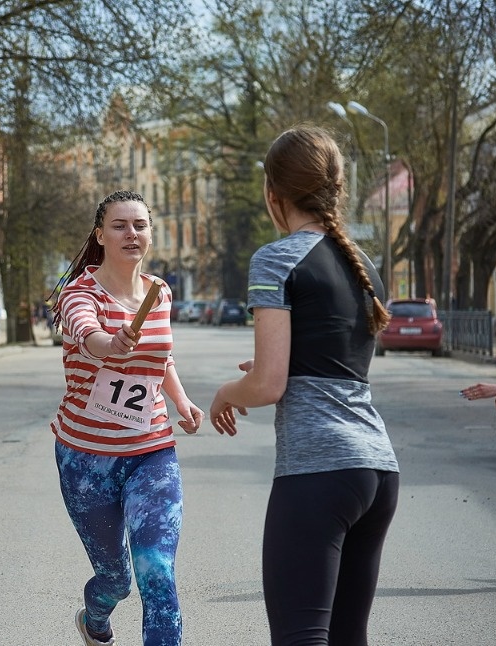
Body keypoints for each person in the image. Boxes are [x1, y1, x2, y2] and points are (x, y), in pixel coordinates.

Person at [209, 125, 400, 646]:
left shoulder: (276, 258)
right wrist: (279, 369)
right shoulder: (365, 266)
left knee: (301, 638)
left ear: (274, 193)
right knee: (347, 638)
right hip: (378, 470)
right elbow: (331, 363)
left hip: (320, 469)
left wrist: (227, 391)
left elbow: (268, 385)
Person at [49, 190, 204, 646]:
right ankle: (95, 617)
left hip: (150, 451)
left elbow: (162, 359)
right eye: (119, 225)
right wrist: (106, 343)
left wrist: (181, 401)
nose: (131, 234)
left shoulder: (160, 292)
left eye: (139, 225)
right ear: (100, 235)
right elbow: (86, 332)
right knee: (116, 578)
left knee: (157, 570)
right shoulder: (79, 293)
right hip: (86, 459)